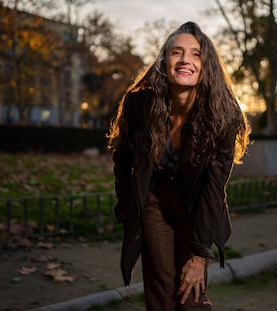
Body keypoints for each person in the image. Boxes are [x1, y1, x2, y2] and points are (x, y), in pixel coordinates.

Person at [107, 21, 250, 311]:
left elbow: (213, 189)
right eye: (177, 52)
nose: (186, 60)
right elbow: (121, 159)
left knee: (191, 296)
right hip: (154, 202)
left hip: (197, 206)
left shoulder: (224, 115)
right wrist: (126, 208)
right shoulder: (140, 104)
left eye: (197, 54)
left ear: (206, 65)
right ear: (164, 61)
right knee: (161, 294)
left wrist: (199, 258)